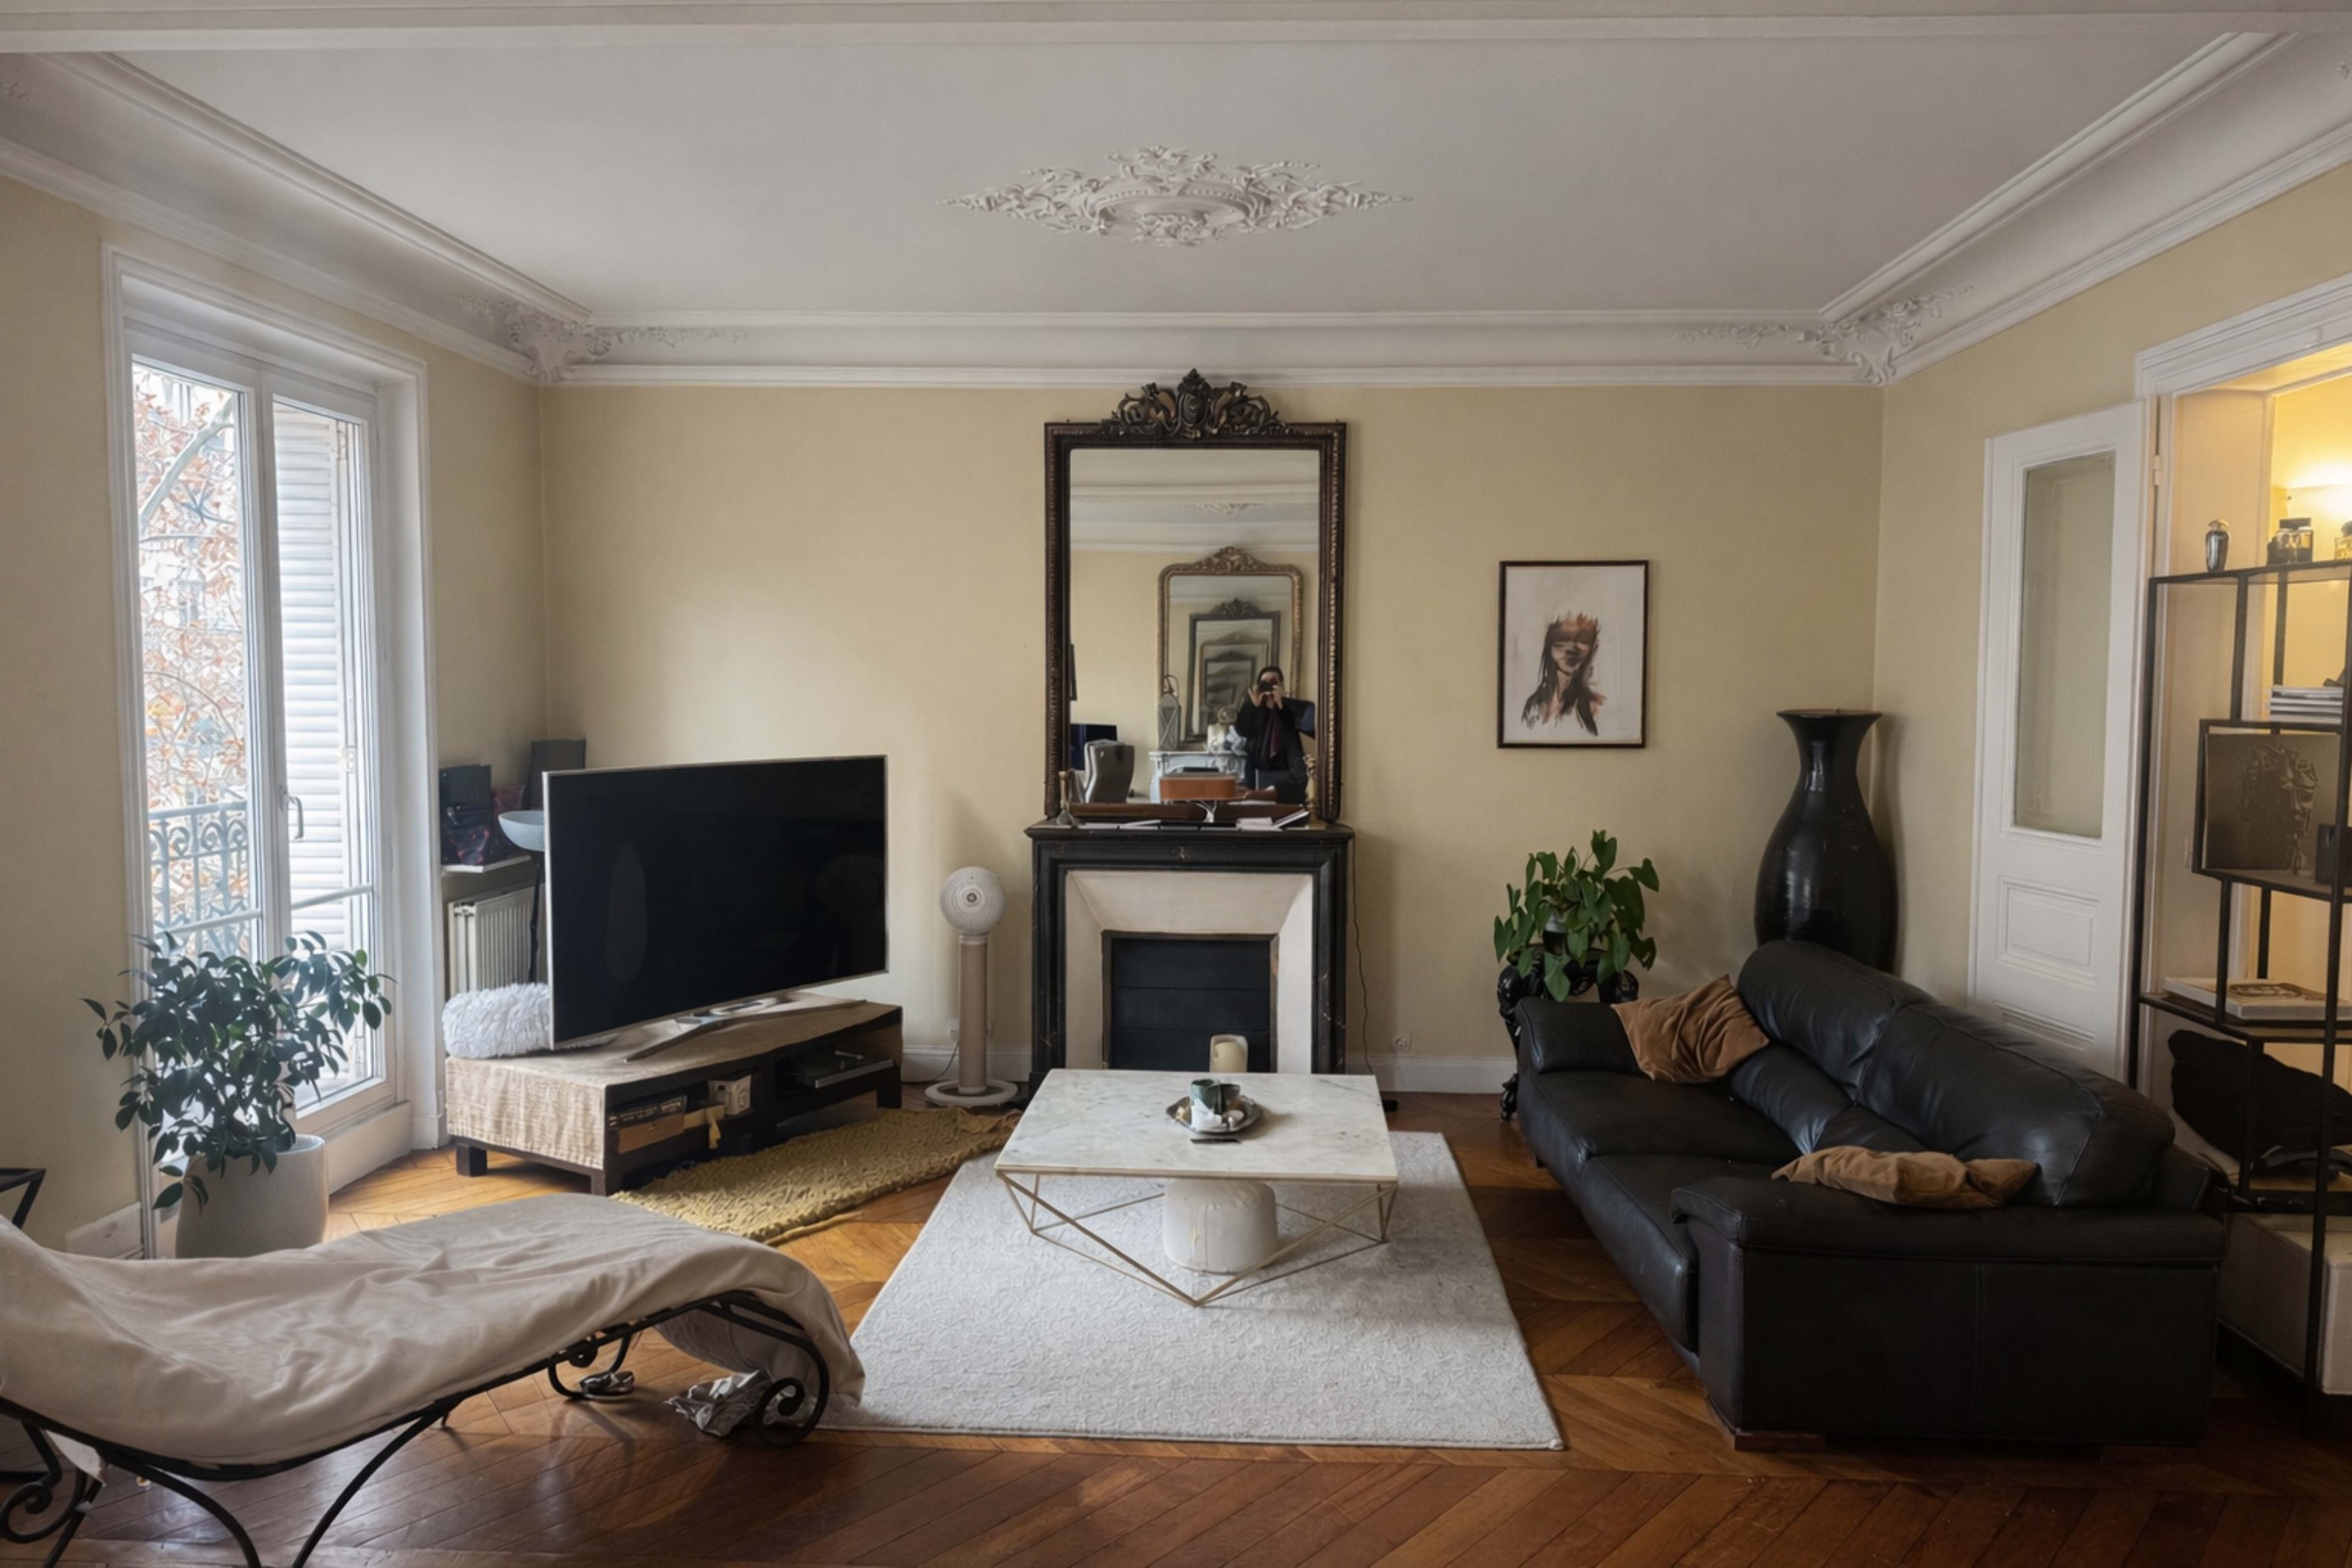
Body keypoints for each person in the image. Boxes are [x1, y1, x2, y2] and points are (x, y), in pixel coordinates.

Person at [1232, 665, 1313, 804]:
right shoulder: (1253, 708)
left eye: (1274, 682)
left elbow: (1310, 726)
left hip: (1288, 762)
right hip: (1257, 765)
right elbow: (1242, 731)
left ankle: (1268, 795)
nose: (1269, 687)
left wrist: (1283, 705)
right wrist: (1253, 707)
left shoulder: (1290, 706)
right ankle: (1258, 795)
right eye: (1265, 683)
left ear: (1282, 685)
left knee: (1300, 785)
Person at [1521, 613, 1603, 736]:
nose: (1571, 649)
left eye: (1583, 639)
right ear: (1550, 648)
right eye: (1561, 641)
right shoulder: (1535, 704)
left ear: (1594, 648)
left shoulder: (1597, 706)